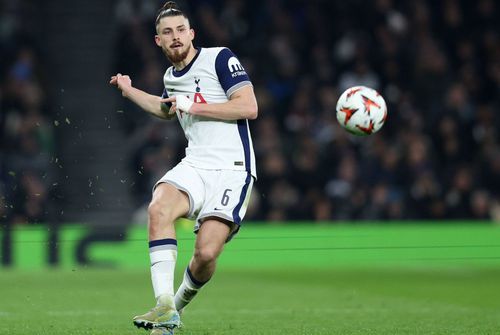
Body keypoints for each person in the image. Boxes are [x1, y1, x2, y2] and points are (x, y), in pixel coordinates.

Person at [110, 1, 257, 335]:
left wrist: (196, 105)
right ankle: (162, 304)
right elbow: (166, 110)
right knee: (158, 206)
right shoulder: (170, 77)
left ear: (192, 33)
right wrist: (129, 90)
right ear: (158, 41)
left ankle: (173, 309)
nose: (175, 37)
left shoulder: (219, 57)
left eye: (180, 30)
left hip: (233, 168)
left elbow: (248, 107)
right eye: (167, 32)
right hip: (196, 163)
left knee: (206, 254)